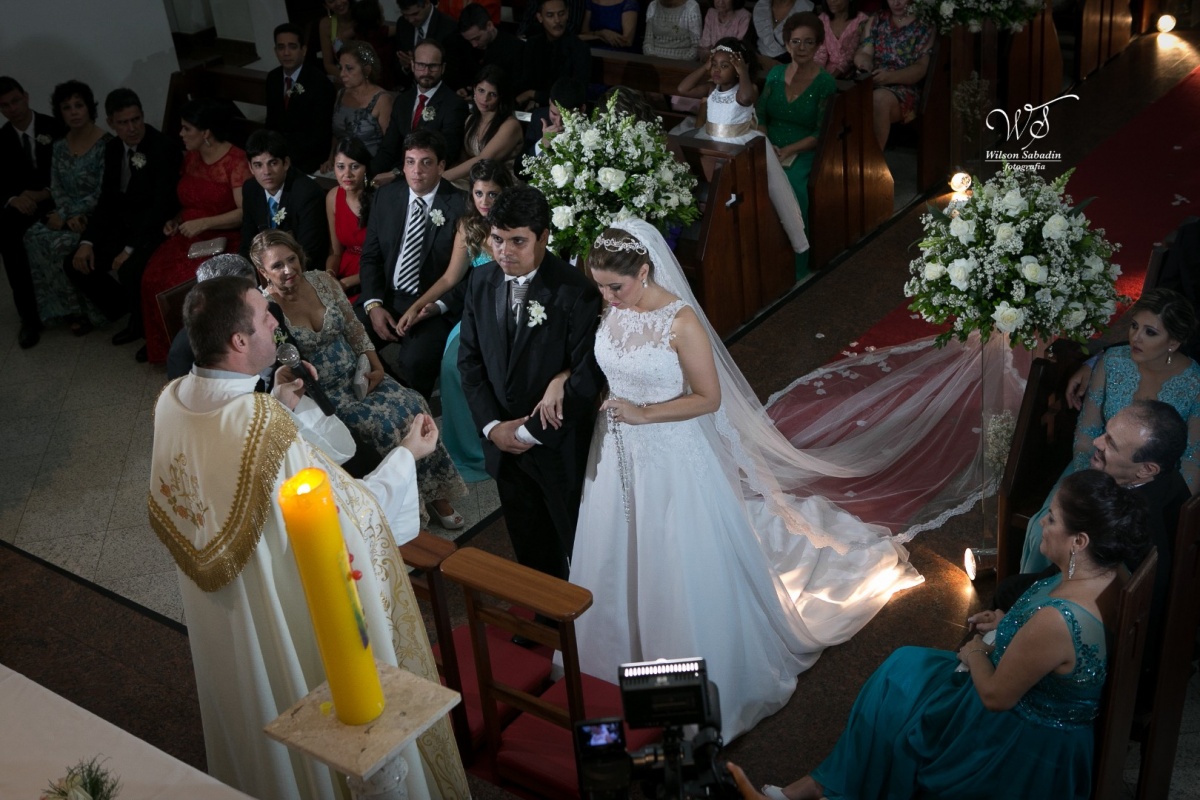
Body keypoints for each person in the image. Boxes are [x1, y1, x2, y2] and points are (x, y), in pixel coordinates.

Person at [559, 220, 921, 740]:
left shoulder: (680, 321)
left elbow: (708, 399)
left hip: (671, 455)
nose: (608, 298)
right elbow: (611, 364)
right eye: (600, 287)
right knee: (619, 551)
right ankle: (611, 660)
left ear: (644, 271)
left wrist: (645, 413)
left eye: (616, 286)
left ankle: (684, 678)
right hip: (617, 453)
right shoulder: (615, 307)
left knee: (675, 558)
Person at [150, 274, 469, 800]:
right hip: (288, 599)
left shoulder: (174, 399)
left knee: (254, 685)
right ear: (239, 341)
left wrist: (277, 400)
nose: (275, 324)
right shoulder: (262, 428)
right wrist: (406, 456)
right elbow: (348, 515)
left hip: (224, 608)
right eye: (264, 318)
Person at [726, 469, 1149, 799]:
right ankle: (814, 786)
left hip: (1022, 745)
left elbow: (996, 696)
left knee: (900, 691)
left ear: (1079, 541)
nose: (1042, 523)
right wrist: (1007, 622)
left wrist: (975, 652)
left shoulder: (1059, 619)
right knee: (903, 668)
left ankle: (828, 790)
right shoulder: (1107, 573)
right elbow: (1053, 650)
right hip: (1033, 699)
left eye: (1052, 518)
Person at [251, 229, 467, 528]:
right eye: (277, 266)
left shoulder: (322, 281)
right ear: (263, 272)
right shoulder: (267, 311)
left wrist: (377, 369)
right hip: (324, 394)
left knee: (414, 405)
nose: (288, 269)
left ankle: (435, 493)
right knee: (384, 427)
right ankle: (407, 506)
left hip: (360, 373)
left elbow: (354, 328)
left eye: (291, 260)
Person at [458, 186, 604, 581]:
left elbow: (587, 377)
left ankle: (589, 610)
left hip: (557, 446)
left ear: (543, 237)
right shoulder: (481, 281)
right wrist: (494, 428)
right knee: (529, 543)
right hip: (503, 446)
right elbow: (469, 362)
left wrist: (527, 432)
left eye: (517, 241)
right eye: (497, 239)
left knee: (577, 540)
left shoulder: (575, 291)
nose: (504, 251)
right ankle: (543, 606)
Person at [1020, 289, 1200, 572]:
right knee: (1042, 529)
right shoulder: (1112, 361)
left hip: (1150, 486)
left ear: (1173, 342)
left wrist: (1171, 511)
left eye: (1150, 332)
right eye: (1134, 326)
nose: (1135, 337)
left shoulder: (1195, 383)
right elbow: (1086, 434)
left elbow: (1192, 459)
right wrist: (1092, 485)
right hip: (1094, 464)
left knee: (1116, 552)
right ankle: (1034, 593)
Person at [399, 159, 516, 481]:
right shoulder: (468, 226)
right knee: (453, 367)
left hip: (515, 313)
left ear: (505, 193)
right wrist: (417, 306)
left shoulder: (518, 227)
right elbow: (450, 278)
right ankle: (468, 450)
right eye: (478, 193)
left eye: (492, 194)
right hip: (477, 315)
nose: (484, 202)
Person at [67, 88, 181, 349]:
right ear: (111, 123)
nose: (132, 128)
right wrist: (87, 242)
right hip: (123, 225)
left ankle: (141, 327)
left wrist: (129, 249)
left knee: (130, 269)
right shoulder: (112, 148)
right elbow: (107, 200)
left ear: (142, 116)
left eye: (136, 119)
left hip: (155, 227)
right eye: (123, 122)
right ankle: (125, 307)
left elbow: (161, 206)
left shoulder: (163, 147)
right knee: (75, 262)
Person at [139, 97, 251, 364]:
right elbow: (190, 199)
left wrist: (204, 223)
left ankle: (196, 348)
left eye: (187, 128)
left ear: (206, 132)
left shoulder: (235, 162)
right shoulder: (191, 157)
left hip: (221, 238)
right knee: (151, 278)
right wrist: (176, 219)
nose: (181, 133)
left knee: (183, 285)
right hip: (188, 234)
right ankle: (165, 346)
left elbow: (243, 212)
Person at [359, 129, 466, 398]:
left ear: (441, 166)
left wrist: (437, 306)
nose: (416, 171)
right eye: (410, 162)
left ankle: (412, 405)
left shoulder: (461, 206)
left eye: (426, 162)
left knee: (416, 361)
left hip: (431, 305)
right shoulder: (386, 197)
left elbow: (466, 275)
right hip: (387, 296)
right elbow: (371, 257)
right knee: (346, 338)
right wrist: (373, 305)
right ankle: (387, 391)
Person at [676, 38, 809, 256]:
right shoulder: (712, 88)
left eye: (724, 66)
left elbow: (747, 98)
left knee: (771, 188)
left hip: (737, 145)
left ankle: (793, 239)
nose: (717, 70)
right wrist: (705, 67)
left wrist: (743, 72)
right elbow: (683, 88)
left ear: (737, 69)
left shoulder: (745, 90)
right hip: (710, 142)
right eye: (715, 64)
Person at [22, 80, 111, 333]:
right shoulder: (59, 145)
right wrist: (64, 213)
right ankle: (59, 308)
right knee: (32, 236)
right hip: (65, 214)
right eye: (67, 107)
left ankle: (86, 311)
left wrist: (73, 214)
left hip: (96, 215)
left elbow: (103, 193)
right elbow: (56, 186)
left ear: (89, 107)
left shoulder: (106, 143)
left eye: (78, 105)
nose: (74, 112)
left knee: (62, 244)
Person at [756, 12, 835, 278]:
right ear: (787, 44)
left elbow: (821, 132)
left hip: (804, 151)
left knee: (792, 188)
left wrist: (789, 150)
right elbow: (761, 116)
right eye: (795, 41)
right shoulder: (776, 74)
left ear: (818, 45)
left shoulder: (825, 83)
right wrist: (767, 144)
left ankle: (796, 265)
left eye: (808, 42)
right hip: (769, 145)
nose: (801, 48)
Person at [0, 75, 67, 349]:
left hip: (55, 197)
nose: (12, 109)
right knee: (7, 234)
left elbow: (68, 170)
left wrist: (45, 193)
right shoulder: (1, 138)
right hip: (23, 203)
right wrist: (13, 198)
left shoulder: (54, 127)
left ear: (26, 96)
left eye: (16, 101)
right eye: (5, 105)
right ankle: (29, 317)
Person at [371, 40, 469, 184]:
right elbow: (388, 149)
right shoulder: (403, 100)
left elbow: (446, 154)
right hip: (397, 176)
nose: (426, 72)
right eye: (421, 65)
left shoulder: (454, 104)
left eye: (433, 66)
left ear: (443, 68)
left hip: (428, 179)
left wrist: (396, 173)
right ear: (412, 65)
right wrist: (367, 176)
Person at [851, 0, 934, 150]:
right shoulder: (877, 19)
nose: (896, 2)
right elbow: (865, 52)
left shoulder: (924, 25)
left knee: (879, 99)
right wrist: (865, 66)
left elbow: (920, 68)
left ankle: (873, 158)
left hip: (904, 86)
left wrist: (890, 77)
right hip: (873, 78)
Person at [239, 130, 328, 265]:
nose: (266, 172)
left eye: (273, 163)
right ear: (251, 168)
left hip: (301, 267)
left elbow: (309, 251)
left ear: (286, 163)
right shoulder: (251, 189)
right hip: (265, 268)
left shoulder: (307, 193)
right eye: (258, 165)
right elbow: (247, 241)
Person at [264, 23, 337, 175]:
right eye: (281, 47)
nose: (286, 53)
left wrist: (285, 159)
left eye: (292, 47)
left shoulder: (319, 82)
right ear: (275, 51)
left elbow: (321, 133)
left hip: (309, 159)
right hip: (279, 156)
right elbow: (271, 122)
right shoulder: (273, 78)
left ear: (303, 50)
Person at [443, 65, 523, 188]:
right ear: (474, 89)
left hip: (499, 185)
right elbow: (463, 159)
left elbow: (483, 160)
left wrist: (441, 177)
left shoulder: (510, 125)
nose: (485, 99)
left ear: (501, 97)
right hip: (475, 179)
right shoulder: (471, 119)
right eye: (481, 91)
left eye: (493, 94)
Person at [324, 39, 394, 169]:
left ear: (366, 70)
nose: (342, 74)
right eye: (341, 68)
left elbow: (390, 146)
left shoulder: (382, 100)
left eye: (349, 68)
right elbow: (337, 135)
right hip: (341, 168)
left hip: (371, 168)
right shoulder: (341, 94)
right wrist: (330, 159)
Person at [325, 136, 375, 302]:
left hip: (372, 273)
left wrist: (346, 283)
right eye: (340, 167)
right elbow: (335, 252)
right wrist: (330, 275)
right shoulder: (333, 197)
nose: (347, 174)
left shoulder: (379, 198)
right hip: (344, 270)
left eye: (354, 167)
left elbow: (387, 259)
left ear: (365, 168)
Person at [519, 0, 591, 110]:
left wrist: (533, 95)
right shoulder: (533, 44)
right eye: (550, 15)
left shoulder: (580, 49)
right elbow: (525, 82)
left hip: (566, 112)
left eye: (561, 14)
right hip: (534, 108)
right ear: (540, 17)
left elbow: (575, 95)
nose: (557, 20)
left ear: (567, 13)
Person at [520, 77, 587, 178]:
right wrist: (542, 144)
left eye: (566, 117)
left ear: (582, 110)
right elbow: (519, 171)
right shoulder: (539, 117)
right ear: (549, 102)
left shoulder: (591, 128)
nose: (558, 122)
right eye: (554, 114)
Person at [815, 0, 869, 78]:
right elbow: (819, 55)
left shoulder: (862, 20)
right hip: (825, 73)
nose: (832, 1)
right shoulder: (822, 19)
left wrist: (831, 79)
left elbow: (849, 57)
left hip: (851, 75)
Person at [318, 0, 359, 78]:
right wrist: (349, 78)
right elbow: (328, 65)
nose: (338, 3)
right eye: (331, 1)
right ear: (326, 6)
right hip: (347, 76)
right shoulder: (326, 24)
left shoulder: (364, 13)